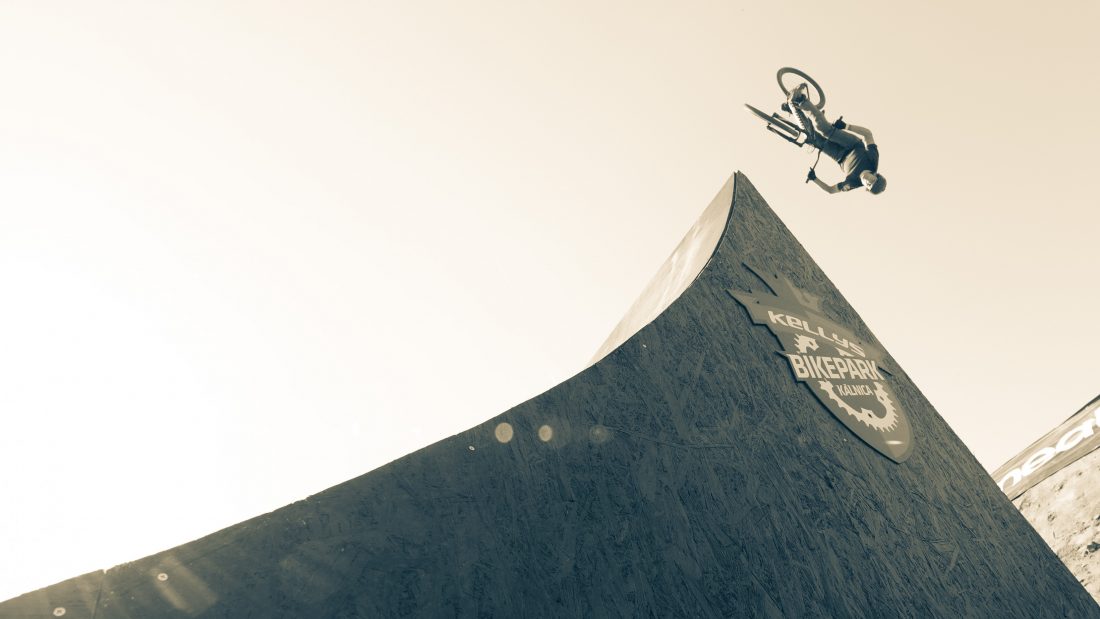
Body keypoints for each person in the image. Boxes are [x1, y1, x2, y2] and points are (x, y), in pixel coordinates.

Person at [786, 84, 887, 195]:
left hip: (838, 156)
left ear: (866, 188)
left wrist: (814, 179)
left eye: (869, 185)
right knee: (824, 129)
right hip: (852, 145)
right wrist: (846, 126)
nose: (868, 182)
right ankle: (800, 99)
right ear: (875, 175)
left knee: (812, 138)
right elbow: (867, 134)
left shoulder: (852, 183)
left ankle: (793, 108)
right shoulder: (873, 160)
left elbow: (830, 190)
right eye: (872, 180)